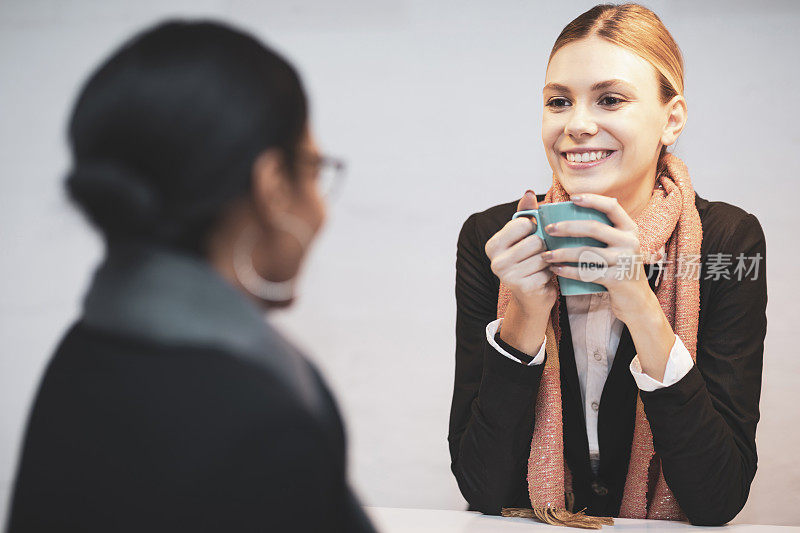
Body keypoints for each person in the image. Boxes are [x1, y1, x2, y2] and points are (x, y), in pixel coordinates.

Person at [8, 20, 375, 533]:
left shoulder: (83, 350)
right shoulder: (259, 423)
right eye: (314, 170)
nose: (321, 210)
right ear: (272, 187)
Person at [448, 3, 767, 527]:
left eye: (610, 99)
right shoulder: (494, 239)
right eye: (558, 102)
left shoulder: (726, 242)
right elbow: (482, 486)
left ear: (673, 118)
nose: (576, 124)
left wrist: (639, 302)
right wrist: (524, 315)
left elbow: (719, 497)